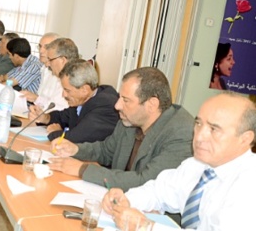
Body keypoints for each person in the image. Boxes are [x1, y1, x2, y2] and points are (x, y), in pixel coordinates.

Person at [103, 92, 256, 231]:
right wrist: (126, 200)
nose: (199, 136)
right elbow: (158, 192)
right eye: (198, 124)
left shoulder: (249, 185)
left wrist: (146, 227)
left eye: (214, 129)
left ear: (245, 138)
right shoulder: (196, 165)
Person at [49, 67, 194, 192]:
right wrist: (75, 149)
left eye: (126, 100)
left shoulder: (180, 133)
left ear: (152, 104)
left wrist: (83, 169)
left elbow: (146, 182)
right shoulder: (130, 120)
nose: (117, 105)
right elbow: (106, 150)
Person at [30, 58, 119, 143]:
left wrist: (56, 133)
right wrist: (46, 118)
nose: (63, 95)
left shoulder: (106, 105)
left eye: (67, 90)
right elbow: (63, 117)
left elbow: (78, 138)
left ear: (85, 90)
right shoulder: (82, 100)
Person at [20, 32, 67, 111]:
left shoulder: (63, 74)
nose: (41, 51)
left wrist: (36, 99)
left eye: (47, 47)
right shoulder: (44, 68)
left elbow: (60, 108)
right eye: (40, 46)